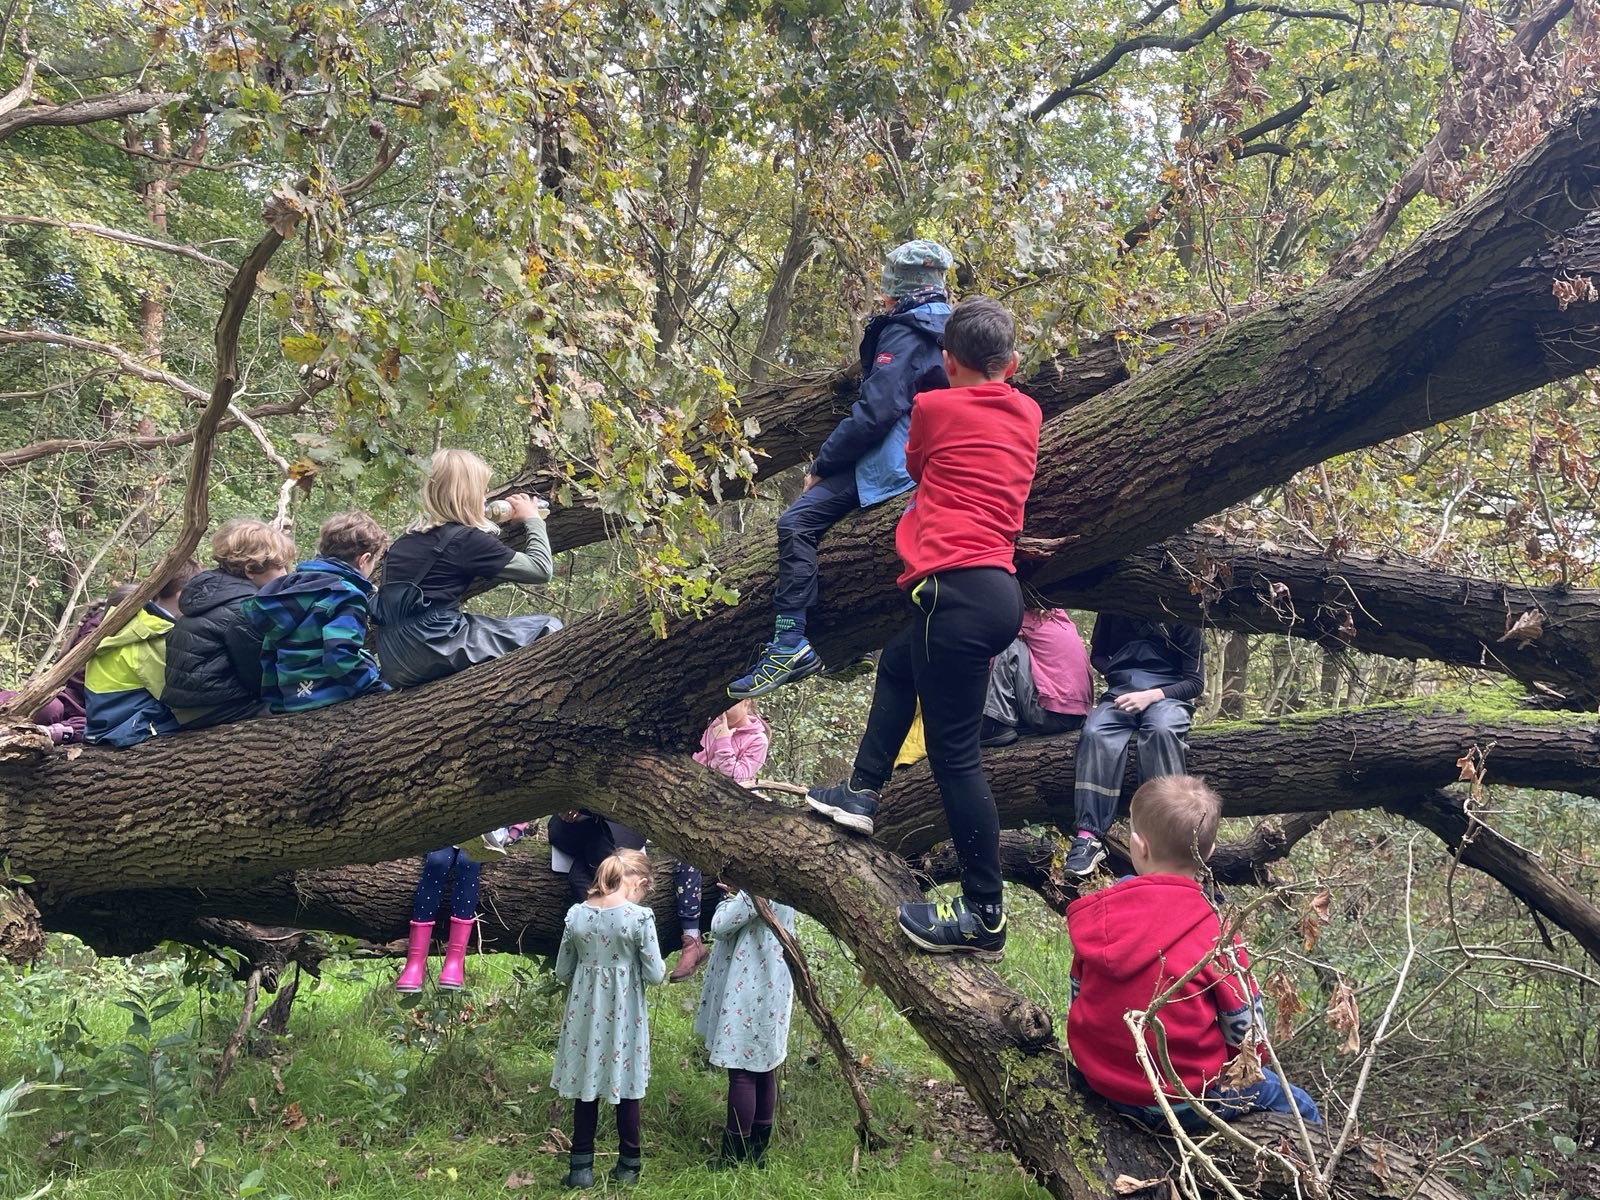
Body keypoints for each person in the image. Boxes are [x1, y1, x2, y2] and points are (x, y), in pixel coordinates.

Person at [806, 297, 1041, 957]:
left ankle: (984, 916)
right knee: (900, 663)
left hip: (953, 591)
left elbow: (914, 468)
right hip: (993, 591)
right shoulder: (1029, 411)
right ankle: (861, 791)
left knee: (955, 760)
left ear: (944, 362)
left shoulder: (935, 409)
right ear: (1012, 364)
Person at [728, 240, 953, 699]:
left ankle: (789, 642)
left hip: (895, 461)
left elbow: (877, 410)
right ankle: (853, 649)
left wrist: (823, 462)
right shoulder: (947, 328)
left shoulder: (906, 330)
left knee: (797, 523)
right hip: (929, 456)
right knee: (842, 537)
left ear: (899, 285)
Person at [1066, 775, 1321, 1132]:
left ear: (1138, 846)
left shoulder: (1099, 916)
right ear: (1210, 853)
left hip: (1104, 1082)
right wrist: (1248, 1067)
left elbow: (1077, 998)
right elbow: (1247, 1034)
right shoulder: (1217, 932)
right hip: (1185, 1098)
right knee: (1300, 1104)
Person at [372, 447, 560, 688]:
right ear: (468, 494)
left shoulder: (404, 540)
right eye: (481, 490)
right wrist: (532, 519)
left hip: (395, 658)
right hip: (435, 644)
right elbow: (541, 569)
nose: (484, 498)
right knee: (548, 626)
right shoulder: (467, 541)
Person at [551, 850, 665, 1188]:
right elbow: (656, 974)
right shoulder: (639, 918)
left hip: (584, 1014)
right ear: (640, 882)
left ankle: (580, 1169)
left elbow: (562, 970)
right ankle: (628, 1166)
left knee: (587, 1087)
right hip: (624, 1014)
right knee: (626, 1084)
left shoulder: (577, 915)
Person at [1063, 613, 1204, 876]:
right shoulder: (1111, 609)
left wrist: (1152, 694)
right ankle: (1088, 837)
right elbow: (1099, 655)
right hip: (1120, 694)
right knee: (1094, 732)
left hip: (1167, 697)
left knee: (1162, 731)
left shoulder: (1183, 614)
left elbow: (1195, 682)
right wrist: (1122, 675)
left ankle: (1166, 839)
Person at [243, 512, 389, 714]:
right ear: (364, 560)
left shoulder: (290, 587)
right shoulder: (346, 594)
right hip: (330, 696)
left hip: (290, 699)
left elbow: (270, 649)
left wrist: (275, 700)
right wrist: (376, 688)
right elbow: (339, 655)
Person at [164, 519, 297, 730]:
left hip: (189, 708)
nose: (285, 574)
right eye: (280, 567)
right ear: (251, 570)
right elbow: (258, 675)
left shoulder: (210, 593)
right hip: (219, 707)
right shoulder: (242, 608)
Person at [671, 699, 771, 983]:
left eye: (735, 702)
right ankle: (691, 940)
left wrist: (724, 738)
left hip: (731, 815)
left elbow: (734, 779)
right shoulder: (708, 725)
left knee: (710, 862)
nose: (726, 708)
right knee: (685, 859)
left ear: (749, 701)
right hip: (694, 808)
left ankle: (721, 930)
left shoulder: (756, 739)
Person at [696, 888, 795, 1169]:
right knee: (764, 1067)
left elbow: (720, 926)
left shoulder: (756, 888)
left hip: (751, 990)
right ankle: (756, 1152)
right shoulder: (785, 881)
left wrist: (726, 900)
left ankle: (732, 1157)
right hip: (773, 983)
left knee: (741, 1072)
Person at [394, 824, 529, 992]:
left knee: (468, 862)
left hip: (487, 833)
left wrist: (515, 830)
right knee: (436, 862)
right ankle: (415, 963)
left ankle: (454, 961)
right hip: (449, 828)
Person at [84, 562, 199, 746]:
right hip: (128, 728)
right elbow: (175, 696)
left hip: (104, 724)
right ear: (182, 594)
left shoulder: (130, 623)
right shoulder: (151, 634)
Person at [980, 607, 1093, 747]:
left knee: (1007, 643)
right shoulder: (1060, 618)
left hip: (1049, 716)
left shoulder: (1021, 617)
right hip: (1079, 716)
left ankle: (995, 723)